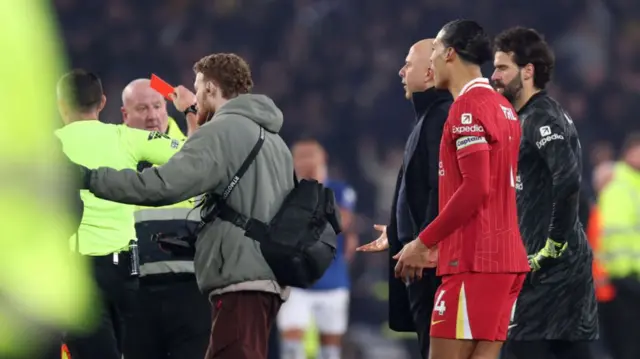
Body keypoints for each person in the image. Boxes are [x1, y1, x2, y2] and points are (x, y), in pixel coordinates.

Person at [73, 53, 293, 359]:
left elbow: (164, 185)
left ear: (212, 89)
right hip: (261, 277)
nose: (193, 96)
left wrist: (90, 178)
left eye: (198, 87)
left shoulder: (221, 133)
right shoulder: (271, 137)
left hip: (234, 278)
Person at [394, 20, 529, 359]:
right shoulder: (504, 108)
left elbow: (476, 188)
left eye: (436, 52)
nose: (432, 62)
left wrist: (422, 241)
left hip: (474, 262)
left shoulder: (466, 108)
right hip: (505, 261)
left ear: (450, 53)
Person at [55, 69, 184, 359]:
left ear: (61, 105)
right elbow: (191, 154)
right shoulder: (127, 138)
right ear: (102, 103)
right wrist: (190, 111)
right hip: (126, 273)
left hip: (76, 272)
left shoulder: (51, 144)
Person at [490, 27, 598, 359]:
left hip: (547, 273)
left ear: (528, 70)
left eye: (502, 68)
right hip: (558, 270)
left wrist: (552, 245)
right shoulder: (525, 117)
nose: (494, 77)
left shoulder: (541, 117)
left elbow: (567, 179)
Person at [356, 38, 451, 359]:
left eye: (408, 64)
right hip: (422, 259)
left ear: (429, 73)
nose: (401, 71)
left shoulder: (441, 118)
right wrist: (398, 232)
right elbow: (422, 190)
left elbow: (445, 191)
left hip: (432, 266)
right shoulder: (427, 119)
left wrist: (423, 242)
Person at [119, 79, 211, 359]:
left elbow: (208, 154)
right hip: (135, 290)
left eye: (158, 106)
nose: (152, 115)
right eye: (142, 108)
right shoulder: (112, 155)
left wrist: (193, 111)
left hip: (191, 288)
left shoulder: (190, 147)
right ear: (125, 115)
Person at [278, 138, 358, 359]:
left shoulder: (341, 190)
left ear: (323, 158)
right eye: (300, 156)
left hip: (333, 284)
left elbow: (340, 223)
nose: (305, 160)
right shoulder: (284, 192)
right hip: (295, 285)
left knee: (330, 352)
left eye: (310, 155)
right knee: (292, 351)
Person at [597, 133, 640, 359]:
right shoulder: (617, 184)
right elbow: (611, 234)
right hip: (621, 278)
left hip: (632, 277)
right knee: (627, 346)